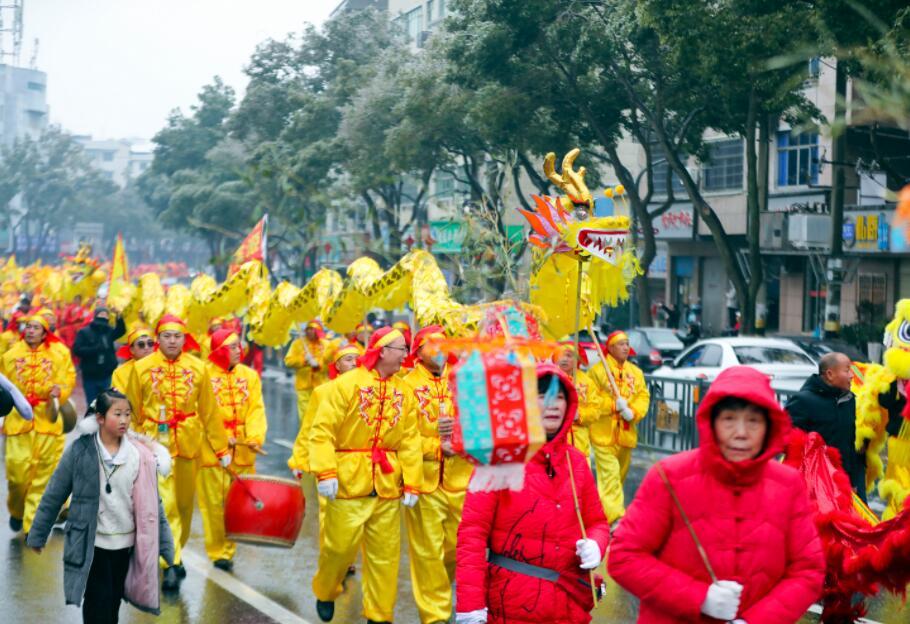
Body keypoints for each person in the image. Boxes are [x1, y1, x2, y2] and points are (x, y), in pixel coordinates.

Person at [608, 366, 826, 623]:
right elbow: (625, 557)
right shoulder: (668, 477)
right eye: (729, 419)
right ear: (711, 421)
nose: (741, 433)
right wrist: (699, 598)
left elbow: (808, 570)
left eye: (753, 421)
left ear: (769, 426)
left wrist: (759, 620)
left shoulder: (788, 485)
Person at [455, 363, 610, 624]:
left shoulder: (576, 462)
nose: (553, 405)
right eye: (542, 396)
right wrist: (471, 605)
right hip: (512, 604)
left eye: (559, 397)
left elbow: (597, 522)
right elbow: (472, 534)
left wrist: (597, 544)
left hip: (567, 607)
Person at [26, 389, 175, 623]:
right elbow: (54, 494)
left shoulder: (140, 456)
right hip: (91, 543)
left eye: (127, 414)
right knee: (98, 599)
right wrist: (38, 534)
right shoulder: (80, 451)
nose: (124, 420)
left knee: (113, 602)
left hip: (125, 545)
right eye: (117, 414)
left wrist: (166, 546)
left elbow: (153, 506)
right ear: (100, 418)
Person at [309, 327, 421, 623]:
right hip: (348, 482)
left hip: (386, 484)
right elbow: (322, 431)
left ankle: (379, 614)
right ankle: (326, 590)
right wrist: (325, 471)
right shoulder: (345, 385)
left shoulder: (404, 391)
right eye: (401, 348)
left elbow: (410, 440)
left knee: (385, 555)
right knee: (338, 549)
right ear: (382, 351)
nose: (406, 355)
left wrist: (412, 481)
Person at [126, 314, 229, 591]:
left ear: (185, 339)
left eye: (177, 336)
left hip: (188, 443)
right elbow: (132, 409)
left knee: (183, 506)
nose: (172, 341)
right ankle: (170, 563)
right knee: (166, 503)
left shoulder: (198, 368)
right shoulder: (142, 368)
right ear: (157, 339)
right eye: (167, 336)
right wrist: (128, 444)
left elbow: (209, 411)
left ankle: (175, 553)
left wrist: (220, 447)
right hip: (153, 445)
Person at [403, 325, 473, 624]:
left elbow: (479, 424)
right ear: (418, 352)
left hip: (460, 480)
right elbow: (401, 437)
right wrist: (435, 446)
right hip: (425, 481)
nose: (440, 350)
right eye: (433, 345)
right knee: (427, 552)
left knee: (457, 548)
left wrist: (459, 439)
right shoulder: (406, 386)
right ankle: (435, 616)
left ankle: (439, 590)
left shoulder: (462, 381)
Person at [197, 328, 267, 571]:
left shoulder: (250, 376)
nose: (240, 350)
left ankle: (229, 548)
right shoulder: (203, 375)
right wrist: (222, 438)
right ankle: (219, 551)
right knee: (214, 504)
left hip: (243, 449)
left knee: (237, 502)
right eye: (233, 346)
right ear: (219, 351)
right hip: (211, 451)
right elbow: (199, 414)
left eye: (239, 345)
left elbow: (256, 409)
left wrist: (255, 437)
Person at [1, 314, 76, 534]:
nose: (31, 330)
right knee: (17, 477)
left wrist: (59, 392)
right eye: (29, 326)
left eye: (36, 327)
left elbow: (68, 379)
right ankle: (17, 511)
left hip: (47, 423)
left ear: (45, 333)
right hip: (18, 422)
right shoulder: (10, 355)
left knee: (42, 478)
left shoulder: (58, 354)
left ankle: (32, 525)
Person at [288, 342, 362, 544]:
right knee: (328, 512)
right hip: (330, 460)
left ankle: (347, 555)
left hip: (360, 464)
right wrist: (299, 460)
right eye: (348, 359)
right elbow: (309, 429)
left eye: (357, 359)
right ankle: (329, 553)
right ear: (337, 365)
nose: (354, 363)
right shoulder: (323, 392)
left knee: (356, 517)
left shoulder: (368, 392)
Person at [786, 352, 866, 501]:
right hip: (812, 487)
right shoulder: (803, 401)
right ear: (830, 374)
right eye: (847, 370)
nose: (851, 376)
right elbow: (788, 444)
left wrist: (853, 481)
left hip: (843, 483)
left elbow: (849, 443)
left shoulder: (849, 400)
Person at [588, 330, 649, 523]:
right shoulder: (598, 371)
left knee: (617, 480)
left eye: (627, 344)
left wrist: (633, 412)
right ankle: (615, 519)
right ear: (611, 348)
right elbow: (591, 400)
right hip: (603, 435)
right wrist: (613, 405)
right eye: (621, 344)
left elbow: (643, 396)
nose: (625, 347)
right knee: (610, 477)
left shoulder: (636, 373)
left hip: (626, 435)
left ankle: (600, 516)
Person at [553, 342, 601, 457]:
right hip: (556, 444)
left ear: (577, 359)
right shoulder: (549, 379)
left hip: (580, 445)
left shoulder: (587, 382)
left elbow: (596, 410)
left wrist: (580, 415)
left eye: (569, 355)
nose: (564, 359)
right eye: (560, 355)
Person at [73, 307, 127, 405]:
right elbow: (77, 350)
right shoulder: (84, 332)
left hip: (107, 375)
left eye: (106, 315)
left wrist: (119, 316)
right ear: (95, 315)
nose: (103, 316)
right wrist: (95, 349)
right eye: (101, 314)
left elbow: (121, 330)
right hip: (90, 376)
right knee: (93, 404)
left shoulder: (109, 331)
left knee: (108, 404)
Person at [284, 320, 329, 426]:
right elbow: (288, 361)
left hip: (321, 386)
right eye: (309, 329)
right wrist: (303, 360)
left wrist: (318, 365)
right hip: (303, 386)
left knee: (320, 416)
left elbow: (331, 363)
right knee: (305, 416)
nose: (310, 332)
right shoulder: (298, 344)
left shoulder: (326, 345)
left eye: (313, 330)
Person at [110, 325, 155, 398]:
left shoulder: (163, 365)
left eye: (150, 343)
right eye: (141, 344)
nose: (147, 347)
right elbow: (119, 399)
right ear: (132, 350)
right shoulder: (120, 372)